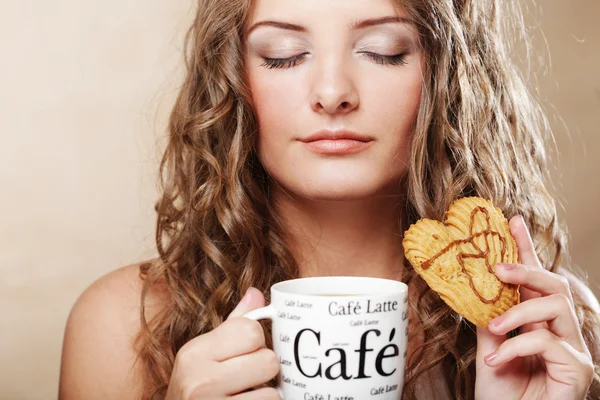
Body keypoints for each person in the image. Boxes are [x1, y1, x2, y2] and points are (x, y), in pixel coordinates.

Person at [58, 0, 600, 398]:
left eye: (383, 52)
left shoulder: (551, 330)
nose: (333, 91)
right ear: (232, 81)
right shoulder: (124, 327)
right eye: (285, 55)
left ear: (445, 74)